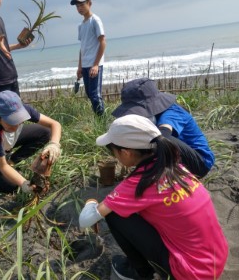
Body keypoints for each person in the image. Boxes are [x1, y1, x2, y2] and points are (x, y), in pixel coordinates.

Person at [79, 115, 228, 280]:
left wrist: (91, 202)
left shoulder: (140, 182)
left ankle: (140, 273)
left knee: (114, 214)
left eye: (112, 150)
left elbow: (85, 220)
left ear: (126, 153)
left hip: (190, 273)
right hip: (215, 260)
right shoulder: (174, 166)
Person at [112, 77, 215, 178]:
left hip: (200, 163)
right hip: (176, 157)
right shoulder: (153, 115)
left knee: (160, 139)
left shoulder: (172, 112)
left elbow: (165, 132)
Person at [0, 90, 62, 193]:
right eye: (11, 122)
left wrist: (54, 144)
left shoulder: (22, 110)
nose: (16, 126)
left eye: (19, 120)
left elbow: (54, 124)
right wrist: (24, 183)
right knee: (10, 185)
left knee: (45, 133)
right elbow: (3, 166)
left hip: (6, 139)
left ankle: (11, 161)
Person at [70, 0, 106, 116]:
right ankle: (99, 120)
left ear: (89, 4)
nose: (79, 8)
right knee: (90, 94)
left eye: (82, 5)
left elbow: (102, 42)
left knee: (96, 95)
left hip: (94, 65)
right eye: (77, 6)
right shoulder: (81, 25)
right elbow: (82, 47)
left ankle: (102, 121)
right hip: (85, 65)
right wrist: (79, 66)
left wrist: (96, 65)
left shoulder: (95, 20)